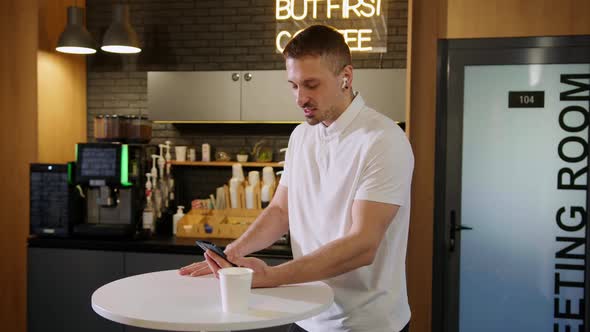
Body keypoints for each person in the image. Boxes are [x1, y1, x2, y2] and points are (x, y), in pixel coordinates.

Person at [179, 24, 414, 332]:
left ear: (346, 77)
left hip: (364, 323)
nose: (300, 98)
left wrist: (271, 276)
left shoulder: (382, 140)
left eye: (311, 84)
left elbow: (363, 244)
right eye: (293, 85)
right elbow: (280, 211)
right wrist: (233, 254)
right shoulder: (302, 136)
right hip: (306, 314)